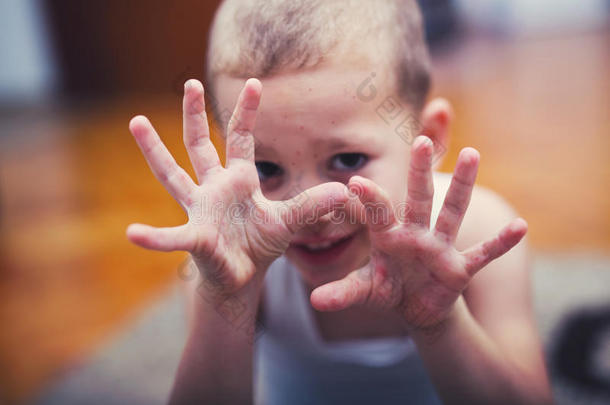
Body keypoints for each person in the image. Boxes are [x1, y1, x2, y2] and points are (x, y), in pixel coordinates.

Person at [126, 0, 552, 403]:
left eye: (347, 160)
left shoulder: (478, 234)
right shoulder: (227, 264)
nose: (308, 207)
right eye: (265, 168)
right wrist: (226, 300)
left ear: (430, 138)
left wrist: (440, 322)